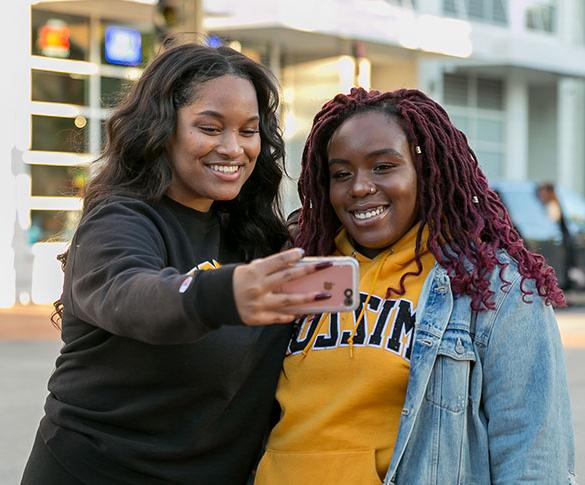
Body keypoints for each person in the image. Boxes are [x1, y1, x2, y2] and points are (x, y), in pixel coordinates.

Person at [21, 42, 332, 485]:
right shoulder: (119, 220)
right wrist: (224, 292)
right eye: (210, 127)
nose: (233, 148)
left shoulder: (255, 236)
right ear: (162, 129)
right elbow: (131, 293)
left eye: (248, 131)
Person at [255, 88, 576, 484]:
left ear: (426, 172)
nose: (359, 187)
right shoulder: (307, 270)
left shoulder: (490, 287)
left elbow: (534, 456)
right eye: (341, 174)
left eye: (383, 167)